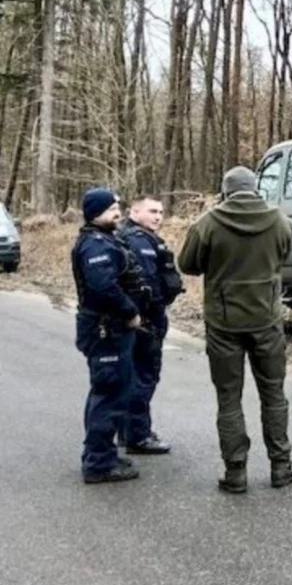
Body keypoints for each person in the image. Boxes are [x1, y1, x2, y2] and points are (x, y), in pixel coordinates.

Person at [178, 166, 292, 493]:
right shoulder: (280, 221)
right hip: (267, 320)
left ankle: (235, 473)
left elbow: (187, 263)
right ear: (256, 188)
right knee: (273, 393)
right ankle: (281, 466)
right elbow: (285, 254)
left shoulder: (208, 223)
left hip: (223, 322)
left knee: (228, 397)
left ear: (226, 191)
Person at [71, 187, 151, 484]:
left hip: (110, 329)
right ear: (96, 212)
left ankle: (102, 454)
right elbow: (103, 287)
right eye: (111, 208)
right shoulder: (94, 245)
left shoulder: (105, 239)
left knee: (110, 391)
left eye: (118, 206)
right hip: (106, 330)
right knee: (108, 394)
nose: (117, 212)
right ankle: (99, 464)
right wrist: (130, 311)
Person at [117, 195, 185, 455]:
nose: (158, 216)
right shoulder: (138, 241)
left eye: (161, 212)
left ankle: (129, 430)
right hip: (146, 319)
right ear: (134, 212)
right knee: (144, 376)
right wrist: (151, 315)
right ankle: (138, 435)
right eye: (152, 211)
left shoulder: (134, 237)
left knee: (135, 375)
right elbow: (145, 286)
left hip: (141, 318)